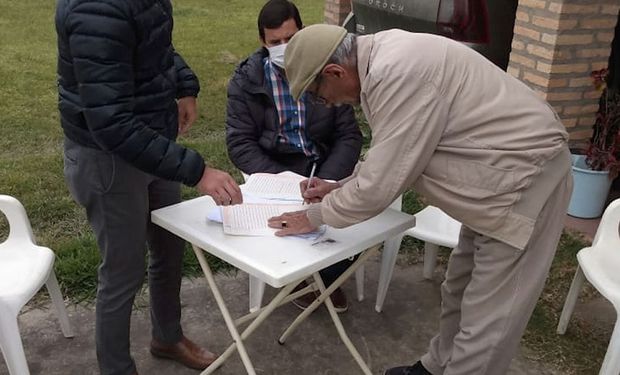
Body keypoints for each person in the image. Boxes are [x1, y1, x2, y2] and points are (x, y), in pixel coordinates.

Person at [268, 24, 573, 375]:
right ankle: (434, 367)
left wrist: (316, 215)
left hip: (525, 185)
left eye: (319, 95)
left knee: (490, 320)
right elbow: (395, 153)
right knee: (459, 289)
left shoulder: (397, 73)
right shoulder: (381, 62)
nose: (328, 103)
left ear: (335, 72)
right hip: (492, 183)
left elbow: (381, 185)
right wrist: (340, 187)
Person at [55, 1, 242, 374]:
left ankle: (167, 337)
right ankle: (116, 367)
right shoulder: (94, 10)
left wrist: (185, 86)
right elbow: (110, 123)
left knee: (169, 249)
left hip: (154, 142)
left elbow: (154, 46)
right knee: (123, 272)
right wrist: (198, 171)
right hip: (108, 158)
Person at [225, 1, 362, 312]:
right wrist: (285, 180)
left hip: (323, 166)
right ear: (262, 42)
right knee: (285, 218)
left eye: (290, 38)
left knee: (350, 215)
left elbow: (348, 135)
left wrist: (327, 178)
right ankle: (302, 275)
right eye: (275, 42)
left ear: (303, 32)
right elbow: (240, 144)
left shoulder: (327, 70)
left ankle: (327, 275)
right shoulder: (247, 82)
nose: (284, 48)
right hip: (277, 170)